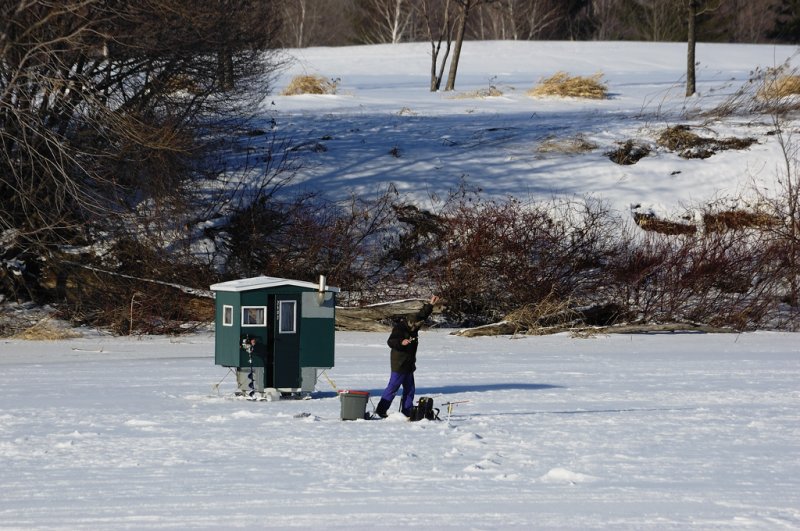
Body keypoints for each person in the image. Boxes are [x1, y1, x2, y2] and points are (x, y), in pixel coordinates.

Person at [374, 295, 440, 418]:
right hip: (399, 363)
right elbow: (390, 342)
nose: (416, 327)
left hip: (409, 364)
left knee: (410, 390)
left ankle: (407, 411)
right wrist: (401, 343)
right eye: (414, 325)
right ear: (409, 323)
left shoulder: (414, 323)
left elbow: (422, 315)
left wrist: (431, 304)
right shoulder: (399, 329)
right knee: (392, 388)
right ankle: (381, 410)